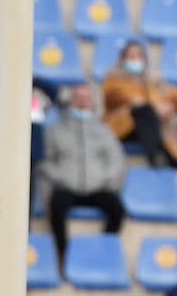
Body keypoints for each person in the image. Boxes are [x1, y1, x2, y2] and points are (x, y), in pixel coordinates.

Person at [40, 82, 127, 271]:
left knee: (117, 209)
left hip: (98, 188)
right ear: (71, 101)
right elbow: (45, 161)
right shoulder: (56, 130)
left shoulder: (103, 130)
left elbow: (117, 160)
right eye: (78, 97)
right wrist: (62, 177)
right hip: (67, 187)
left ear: (92, 103)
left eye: (86, 98)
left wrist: (104, 179)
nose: (82, 102)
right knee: (56, 205)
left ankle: (102, 253)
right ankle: (62, 254)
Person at [101, 41, 177, 169]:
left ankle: (161, 152)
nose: (136, 59)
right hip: (124, 129)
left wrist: (168, 105)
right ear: (123, 59)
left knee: (150, 112)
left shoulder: (153, 80)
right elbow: (119, 97)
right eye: (131, 56)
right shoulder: (113, 79)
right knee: (144, 110)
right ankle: (157, 154)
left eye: (139, 56)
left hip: (151, 127)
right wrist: (154, 107)